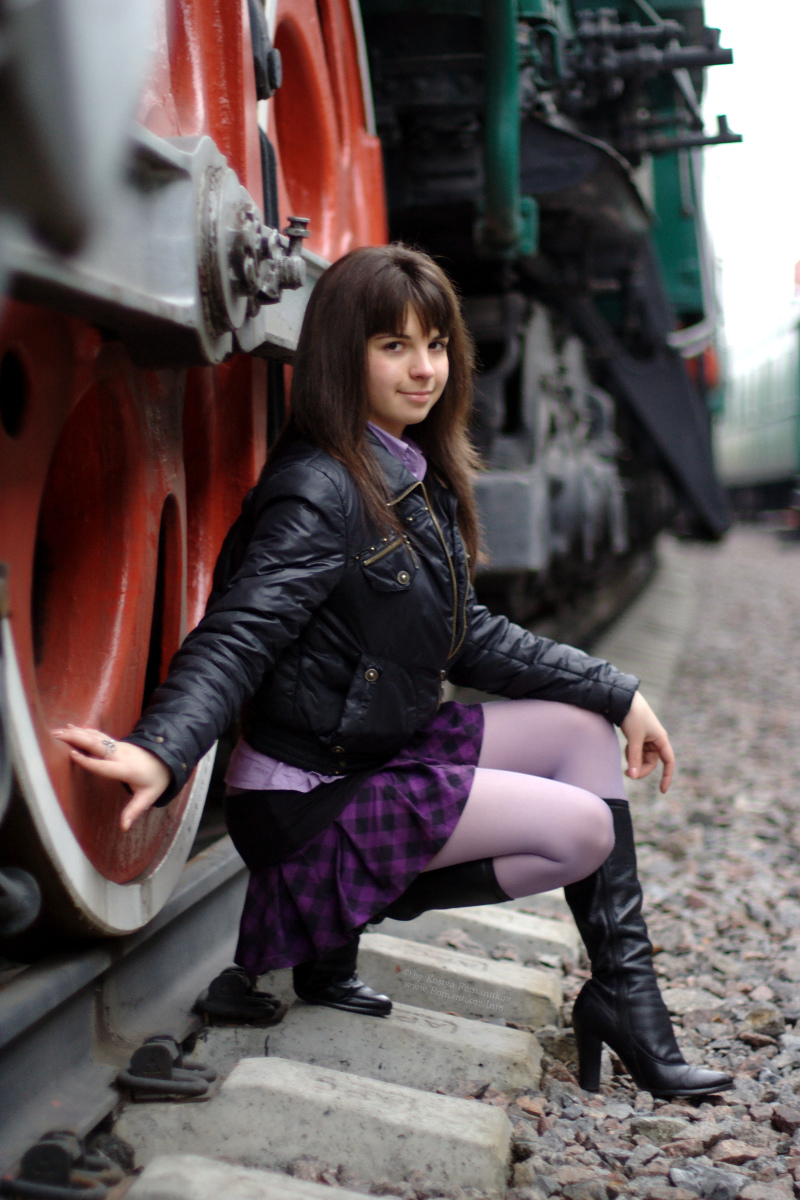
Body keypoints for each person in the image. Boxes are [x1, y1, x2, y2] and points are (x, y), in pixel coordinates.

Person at [53, 244, 730, 1100]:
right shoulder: (321, 490)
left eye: (439, 345)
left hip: (370, 752)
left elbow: (466, 635)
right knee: (582, 832)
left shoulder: (411, 473)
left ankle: (626, 1003)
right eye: (394, 346)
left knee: (584, 731)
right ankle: (333, 908)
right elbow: (241, 631)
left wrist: (617, 688)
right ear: (345, 354)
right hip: (303, 798)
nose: (425, 369)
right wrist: (164, 748)